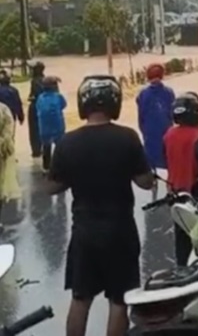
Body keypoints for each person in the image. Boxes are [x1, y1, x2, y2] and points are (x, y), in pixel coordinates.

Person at [45, 75, 156, 336]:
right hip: (121, 232)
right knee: (119, 300)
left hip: (84, 233)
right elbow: (145, 182)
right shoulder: (127, 138)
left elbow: (51, 186)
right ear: (114, 103)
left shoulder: (67, 142)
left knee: (80, 299)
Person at [164, 92, 198, 267]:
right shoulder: (197, 137)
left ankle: (181, 270)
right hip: (194, 194)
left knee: (181, 240)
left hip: (175, 193)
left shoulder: (169, 134)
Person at [136, 64, 175, 172]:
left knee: (151, 163)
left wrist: (144, 131)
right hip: (166, 132)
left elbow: (141, 117)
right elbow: (172, 114)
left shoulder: (143, 94)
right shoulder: (169, 92)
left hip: (150, 133)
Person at [35, 76, 67, 172]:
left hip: (44, 127)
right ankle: (60, 165)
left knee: (46, 147)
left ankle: (46, 167)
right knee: (60, 146)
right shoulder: (58, 96)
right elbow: (64, 105)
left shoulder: (40, 98)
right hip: (58, 126)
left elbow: (38, 108)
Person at [26, 61, 45, 162]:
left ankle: (36, 150)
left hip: (35, 107)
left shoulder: (35, 81)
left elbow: (36, 95)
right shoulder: (45, 80)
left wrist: (31, 98)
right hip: (43, 108)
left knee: (34, 129)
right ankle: (42, 148)